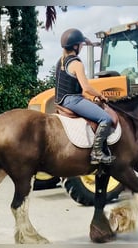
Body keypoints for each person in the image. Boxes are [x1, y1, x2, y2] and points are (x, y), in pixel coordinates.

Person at [55, 28, 115, 165]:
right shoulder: (77, 63)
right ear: (76, 46)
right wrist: (100, 95)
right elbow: (86, 87)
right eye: (81, 45)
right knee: (106, 118)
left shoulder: (61, 61)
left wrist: (86, 41)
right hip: (72, 101)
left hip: (61, 100)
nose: (82, 47)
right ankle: (97, 152)